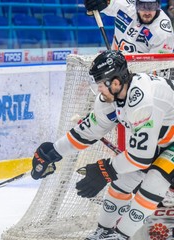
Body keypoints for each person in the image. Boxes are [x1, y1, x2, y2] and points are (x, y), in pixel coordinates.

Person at [31, 50, 174, 239]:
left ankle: (121, 236)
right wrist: (54, 151)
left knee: (155, 179)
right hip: (160, 141)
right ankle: (103, 231)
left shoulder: (143, 101)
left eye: (100, 84)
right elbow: (88, 131)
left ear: (115, 83)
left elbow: (140, 158)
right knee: (122, 177)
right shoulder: (112, 98)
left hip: (166, 145)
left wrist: (106, 169)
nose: (98, 89)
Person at [84, 0, 174, 53]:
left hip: (142, 80)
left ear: (158, 6)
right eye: (143, 6)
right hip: (117, 71)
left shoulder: (163, 34)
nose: (147, 12)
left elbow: (157, 70)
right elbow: (104, 3)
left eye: (152, 6)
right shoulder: (127, 7)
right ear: (136, 5)